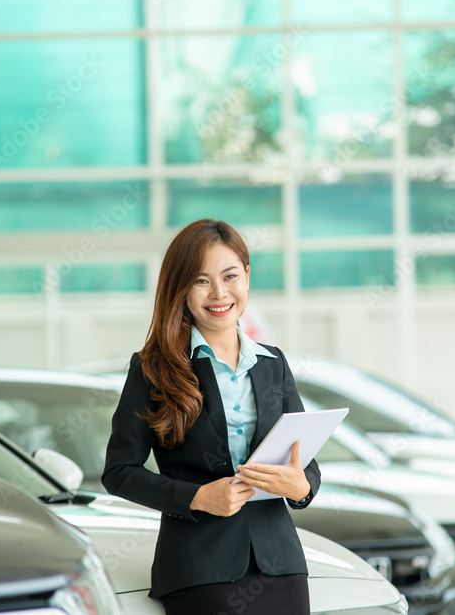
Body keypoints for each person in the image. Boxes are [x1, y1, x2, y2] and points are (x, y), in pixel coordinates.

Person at [101, 219, 320, 615]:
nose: (219, 293)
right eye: (201, 281)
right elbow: (119, 471)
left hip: (281, 565)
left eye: (230, 276)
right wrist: (198, 497)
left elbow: (307, 465)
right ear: (180, 289)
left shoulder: (273, 364)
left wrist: (301, 486)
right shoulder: (153, 368)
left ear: (247, 276)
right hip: (199, 569)